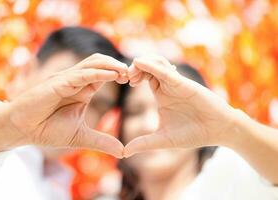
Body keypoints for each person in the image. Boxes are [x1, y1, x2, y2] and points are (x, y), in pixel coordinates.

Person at [0, 27, 130, 200]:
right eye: (72, 86)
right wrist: (3, 128)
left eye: (97, 105)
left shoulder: (57, 187)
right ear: (25, 73)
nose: (77, 107)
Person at [118, 55, 278, 199]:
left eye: (169, 113)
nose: (149, 125)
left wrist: (230, 127)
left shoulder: (232, 175)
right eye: (134, 111)